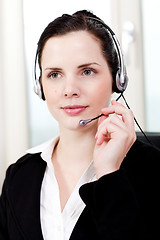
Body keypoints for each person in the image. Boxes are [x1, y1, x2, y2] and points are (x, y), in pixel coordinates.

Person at [0, 10, 160, 240]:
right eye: (55, 74)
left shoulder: (152, 171)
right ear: (40, 86)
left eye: (87, 71)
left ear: (118, 79)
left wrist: (108, 175)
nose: (69, 89)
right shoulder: (19, 176)